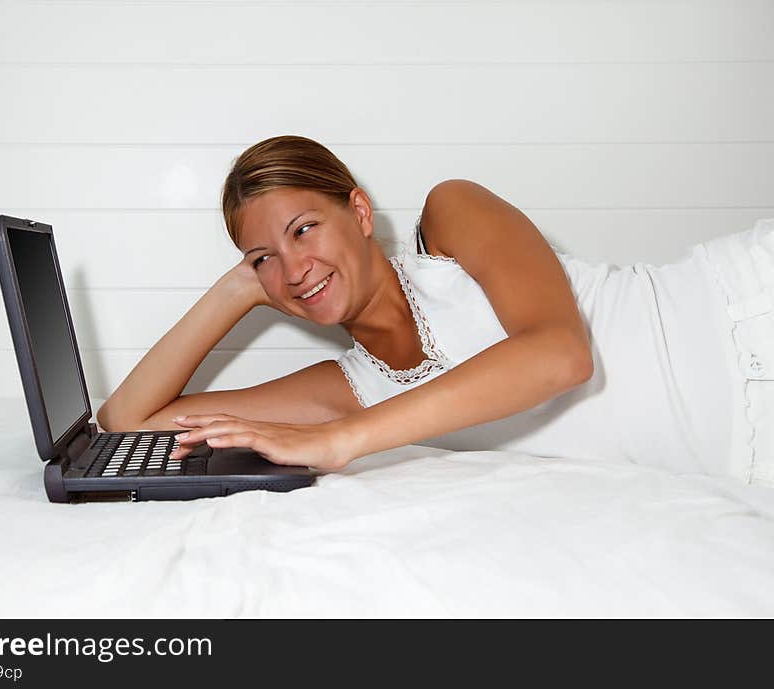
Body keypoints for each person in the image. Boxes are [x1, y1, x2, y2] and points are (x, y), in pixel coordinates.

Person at [97, 135, 774, 486]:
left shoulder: (452, 218)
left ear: (360, 212)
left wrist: (343, 441)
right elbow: (127, 422)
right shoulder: (352, 388)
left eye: (304, 229)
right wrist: (237, 290)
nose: (293, 267)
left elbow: (560, 354)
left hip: (743, 306)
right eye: (263, 256)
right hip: (747, 456)